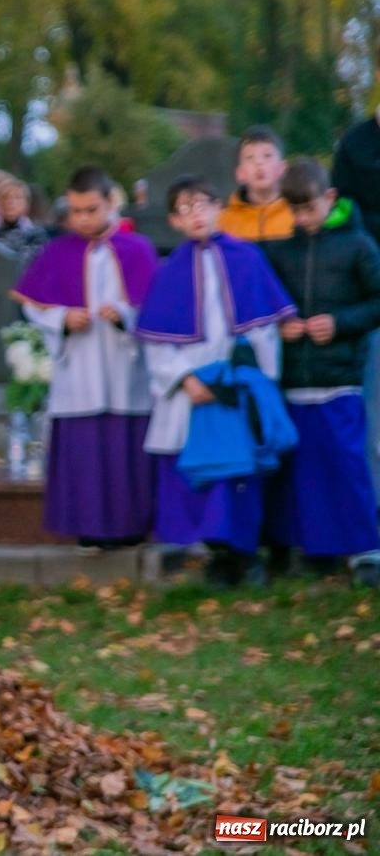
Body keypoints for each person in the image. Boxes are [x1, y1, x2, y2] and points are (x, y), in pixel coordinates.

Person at [135, 176, 293, 587]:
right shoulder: (169, 272)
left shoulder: (247, 259)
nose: (196, 214)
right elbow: (155, 344)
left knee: (237, 469)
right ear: (174, 220)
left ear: (219, 206)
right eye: (185, 208)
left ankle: (244, 555)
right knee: (195, 471)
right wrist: (184, 379)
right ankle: (209, 555)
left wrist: (257, 383)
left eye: (202, 203)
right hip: (188, 392)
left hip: (234, 388)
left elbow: (263, 331)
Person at [13, 166, 158, 548]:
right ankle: (87, 527)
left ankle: (129, 526)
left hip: (123, 367)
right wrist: (62, 317)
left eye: (91, 209)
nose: (82, 218)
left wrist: (126, 316)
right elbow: (34, 307)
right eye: (75, 211)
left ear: (111, 203)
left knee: (124, 448)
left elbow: (156, 309)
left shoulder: (137, 249)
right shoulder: (57, 251)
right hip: (79, 365)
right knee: (85, 451)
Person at [260, 160, 380, 581]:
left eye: (309, 208)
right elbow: (266, 303)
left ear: (329, 198)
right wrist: (281, 323)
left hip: (341, 377)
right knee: (302, 469)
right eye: (294, 211)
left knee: (345, 465)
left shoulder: (358, 246)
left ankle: (365, 551)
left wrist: (340, 323)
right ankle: (313, 549)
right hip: (294, 379)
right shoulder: (280, 251)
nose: (302, 219)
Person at [334, 96, 380, 515]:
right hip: (373, 290)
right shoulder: (355, 145)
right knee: (374, 407)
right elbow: (342, 212)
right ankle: (373, 509)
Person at [218, 126, 293, 242]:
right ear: (240, 173)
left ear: (283, 168)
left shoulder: (296, 214)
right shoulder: (224, 222)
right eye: (250, 158)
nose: (259, 163)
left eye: (267, 156)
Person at [0, 176, 48, 262]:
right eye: (5, 197)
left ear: (26, 204)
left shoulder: (36, 236)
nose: (10, 202)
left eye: (17, 197)